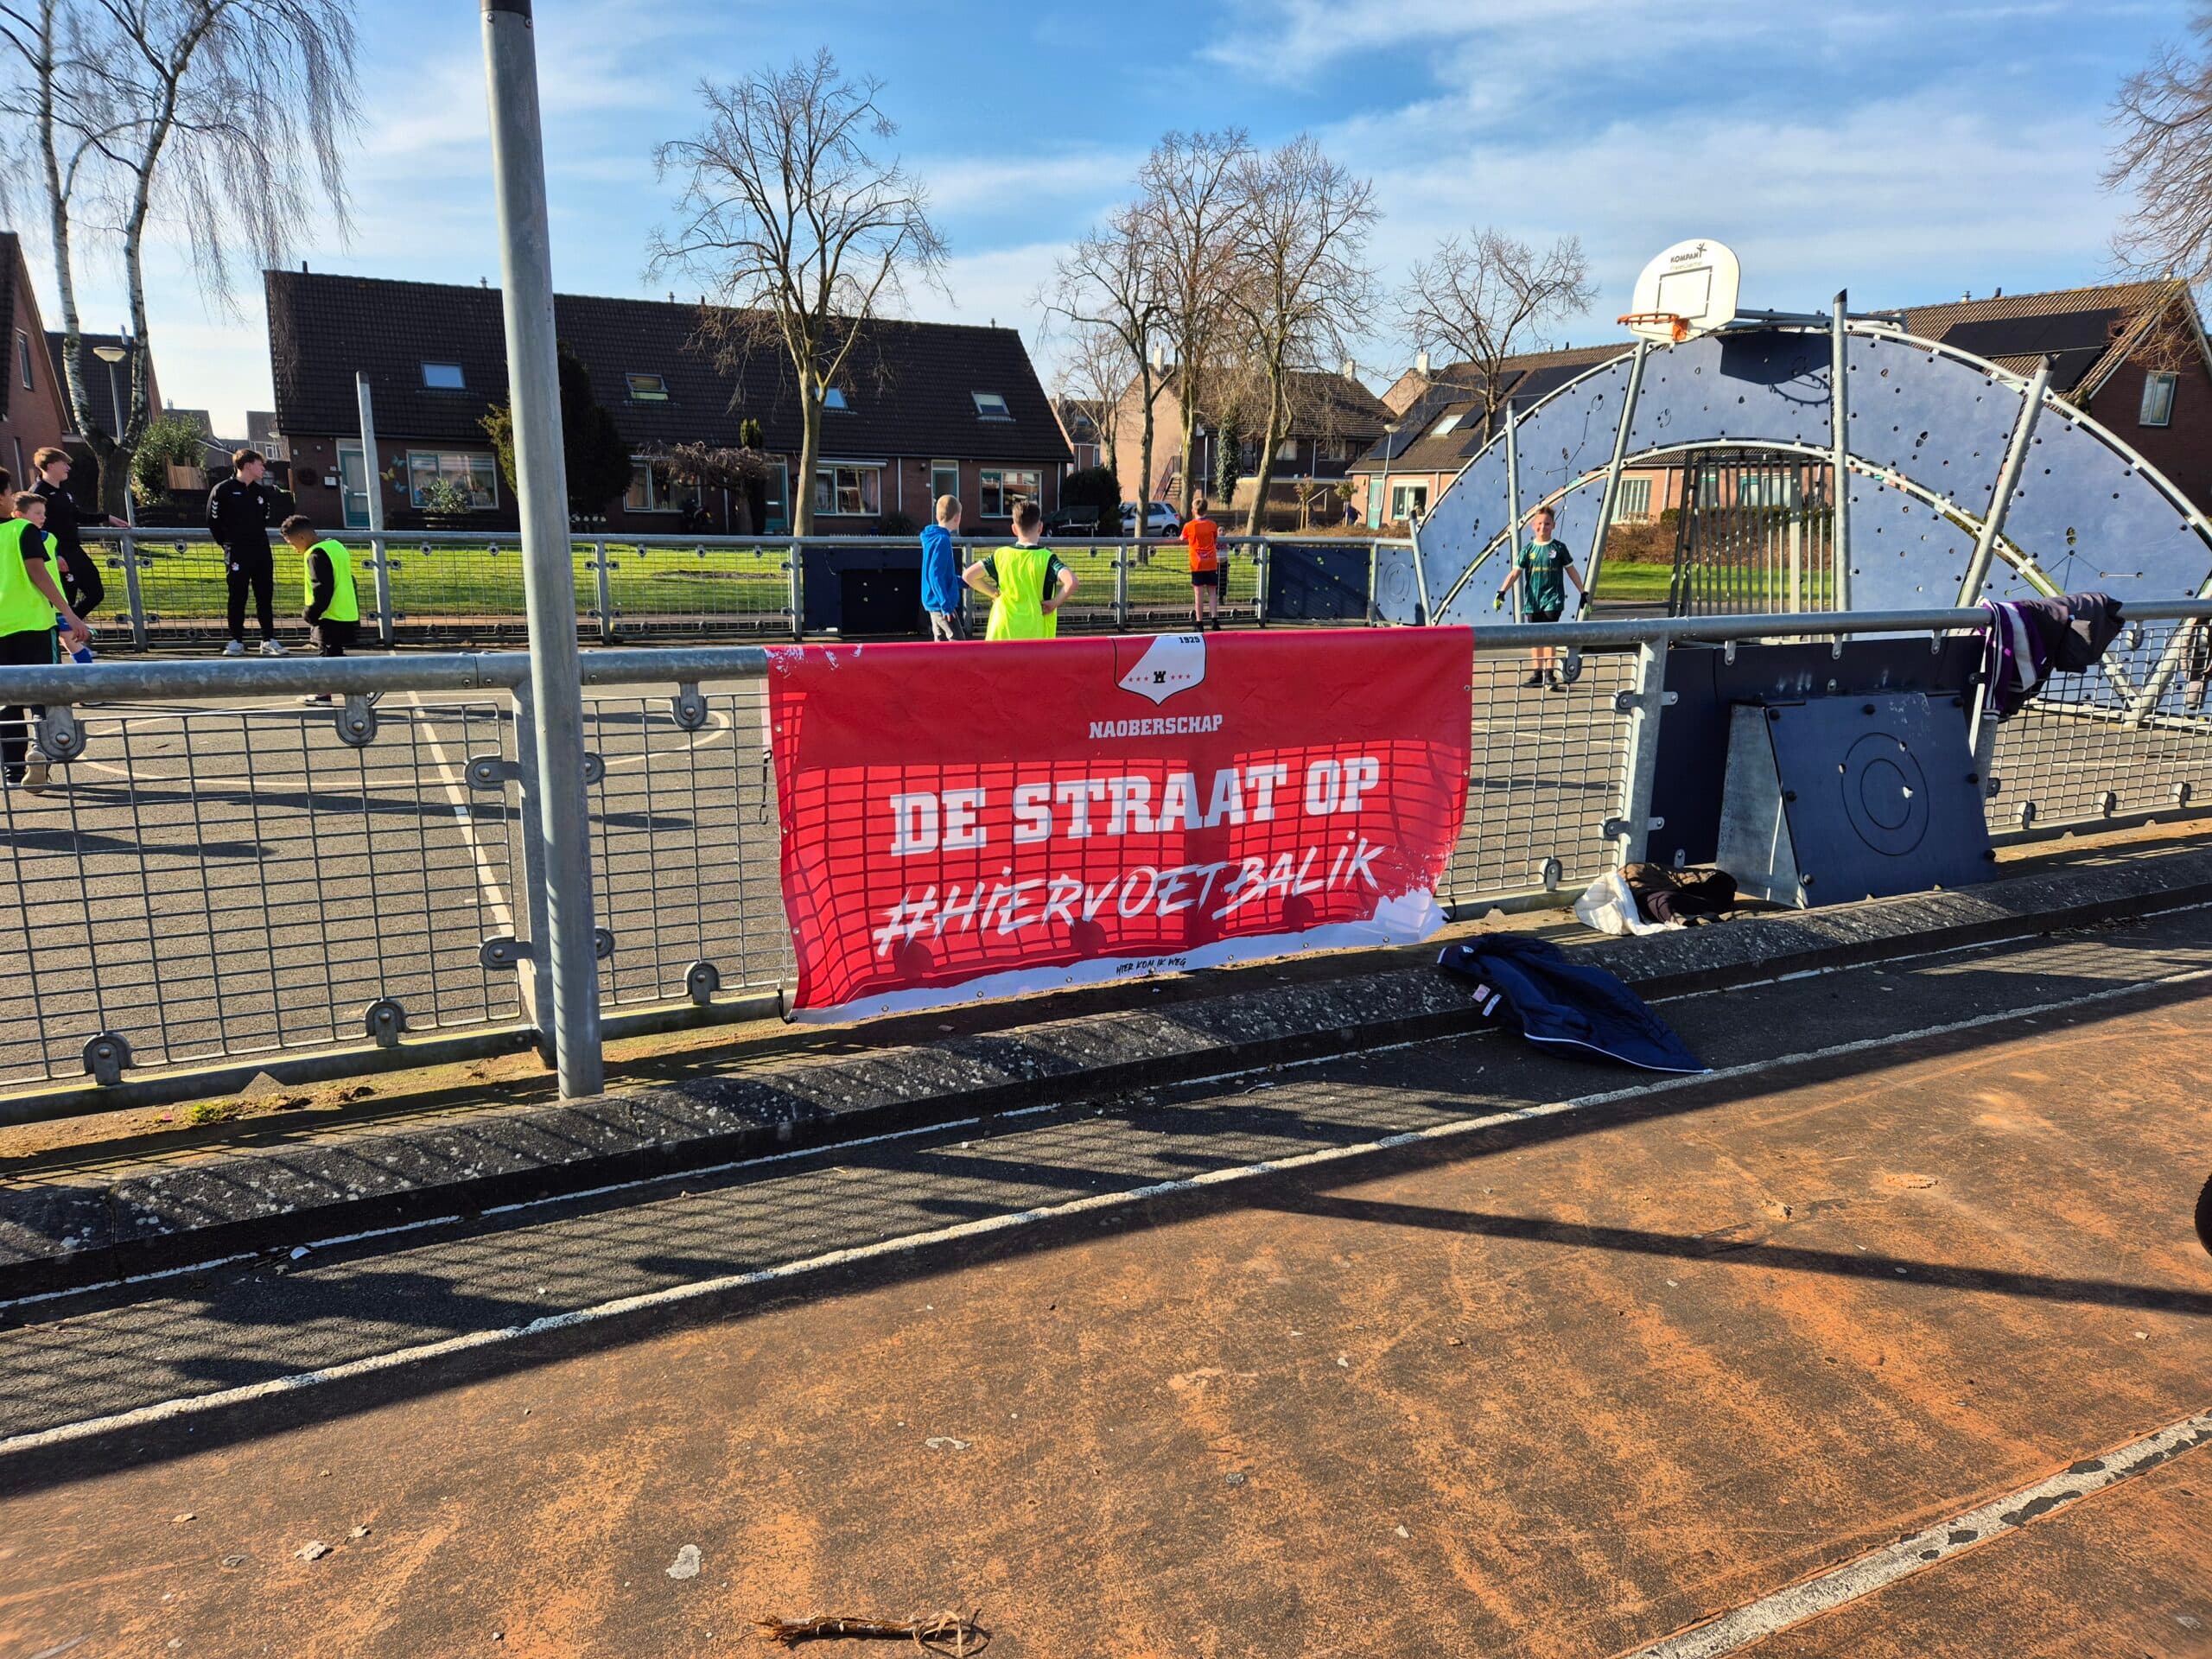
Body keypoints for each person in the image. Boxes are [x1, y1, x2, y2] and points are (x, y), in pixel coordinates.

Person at [0, 492, 90, 795]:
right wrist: (69, 614)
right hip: (34, 624)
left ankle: (13, 769)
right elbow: (37, 572)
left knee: (7, 701)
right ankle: (40, 751)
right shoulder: (23, 530)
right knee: (44, 694)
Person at [30, 447, 124, 626]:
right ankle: (69, 638)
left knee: (96, 592)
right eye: (64, 464)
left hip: (74, 550)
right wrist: (54, 555)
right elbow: (34, 528)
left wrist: (107, 517)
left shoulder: (64, 492)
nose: (68, 468)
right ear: (50, 466)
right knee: (67, 598)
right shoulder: (38, 493)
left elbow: (77, 515)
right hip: (58, 554)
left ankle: (68, 628)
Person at [1494, 505, 1585, 689]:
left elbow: (1572, 571)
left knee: (1550, 634)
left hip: (1553, 599)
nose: (1543, 527)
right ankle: (1537, 674)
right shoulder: (1528, 550)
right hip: (1533, 600)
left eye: (1547, 524)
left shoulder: (1559, 548)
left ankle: (1550, 675)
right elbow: (1514, 574)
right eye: (1540, 524)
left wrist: (1583, 592)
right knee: (1535, 636)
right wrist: (1502, 592)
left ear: (1554, 526)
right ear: (1533, 526)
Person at [209, 448, 286, 657]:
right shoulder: (222, 490)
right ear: (248, 465)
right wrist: (228, 544)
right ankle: (236, 640)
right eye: (260, 464)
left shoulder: (261, 493)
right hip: (236, 551)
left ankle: (268, 639)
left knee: (265, 595)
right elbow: (213, 521)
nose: (263, 468)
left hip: (261, 551)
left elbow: (264, 518)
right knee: (237, 596)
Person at [963, 499, 1075, 640]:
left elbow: (968, 576)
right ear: (1040, 527)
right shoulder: (1047, 558)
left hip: (1003, 629)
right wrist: (1054, 603)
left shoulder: (1001, 555)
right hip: (1035, 630)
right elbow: (1072, 582)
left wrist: (993, 593)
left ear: (1014, 529)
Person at [283, 514, 358, 705]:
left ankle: (356, 686)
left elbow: (322, 587)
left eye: (292, 544)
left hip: (329, 615)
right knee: (333, 656)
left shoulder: (316, 554)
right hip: (346, 612)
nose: (294, 549)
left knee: (327, 657)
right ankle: (327, 692)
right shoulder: (336, 547)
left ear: (301, 537)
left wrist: (311, 612)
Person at [921, 493, 967, 640]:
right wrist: (946, 605)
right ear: (957, 517)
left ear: (937, 516)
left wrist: (964, 582)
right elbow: (935, 576)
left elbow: (942, 574)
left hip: (934, 601)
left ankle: (936, 664)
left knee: (940, 642)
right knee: (958, 641)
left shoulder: (933, 538)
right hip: (941, 603)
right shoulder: (943, 541)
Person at [1180, 492, 1221, 631]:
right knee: (1212, 592)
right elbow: (1215, 539)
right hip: (1210, 562)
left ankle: (1199, 623)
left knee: (1198, 593)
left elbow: (1182, 538)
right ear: (1206, 510)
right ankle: (1215, 620)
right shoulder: (1212, 525)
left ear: (1193, 511)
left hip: (1197, 564)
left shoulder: (1189, 526)